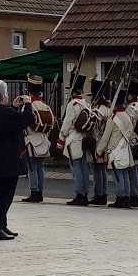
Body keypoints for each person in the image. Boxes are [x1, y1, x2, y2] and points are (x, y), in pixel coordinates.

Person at [0, 80, 33, 240]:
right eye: (7, 94)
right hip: (6, 163)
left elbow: (8, 120)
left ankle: (2, 225)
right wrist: (28, 104)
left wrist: (13, 106)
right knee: (4, 197)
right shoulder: (5, 114)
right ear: (3, 97)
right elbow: (25, 120)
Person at [95, 89, 133, 208]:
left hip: (115, 150)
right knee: (125, 174)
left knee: (118, 175)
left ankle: (120, 198)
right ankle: (126, 197)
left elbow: (105, 138)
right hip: (125, 149)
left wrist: (98, 151)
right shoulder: (127, 116)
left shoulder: (113, 119)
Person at [57, 72, 91, 206]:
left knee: (76, 169)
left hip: (74, 139)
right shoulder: (86, 103)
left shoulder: (72, 104)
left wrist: (61, 139)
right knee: (83, 168)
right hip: (83, 138)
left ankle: (79, 194)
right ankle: (85, 193)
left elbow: (66, 124)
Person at [22, 74, 52, 203]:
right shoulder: (46, 106)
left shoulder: (29, 106)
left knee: (32, 168)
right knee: (40, 168)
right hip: (43, 140)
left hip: (31, 140)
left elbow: (23, 122)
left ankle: (34, 191)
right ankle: (40, 191)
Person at [87, 78, 111, 205]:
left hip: (97, 141)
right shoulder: (107, 108)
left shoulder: (98, 110)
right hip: (104, 142)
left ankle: (99, 194)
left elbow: (91, 126)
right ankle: (103, 193)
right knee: (102, 170)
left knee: (97, 170)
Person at [125, 79, 138, 208]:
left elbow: (127, 127)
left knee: (132, 170)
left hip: (131, 141)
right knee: (137, 170)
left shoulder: (130, 109)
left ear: (131, 95)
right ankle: (137, 194)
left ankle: (134, 195)